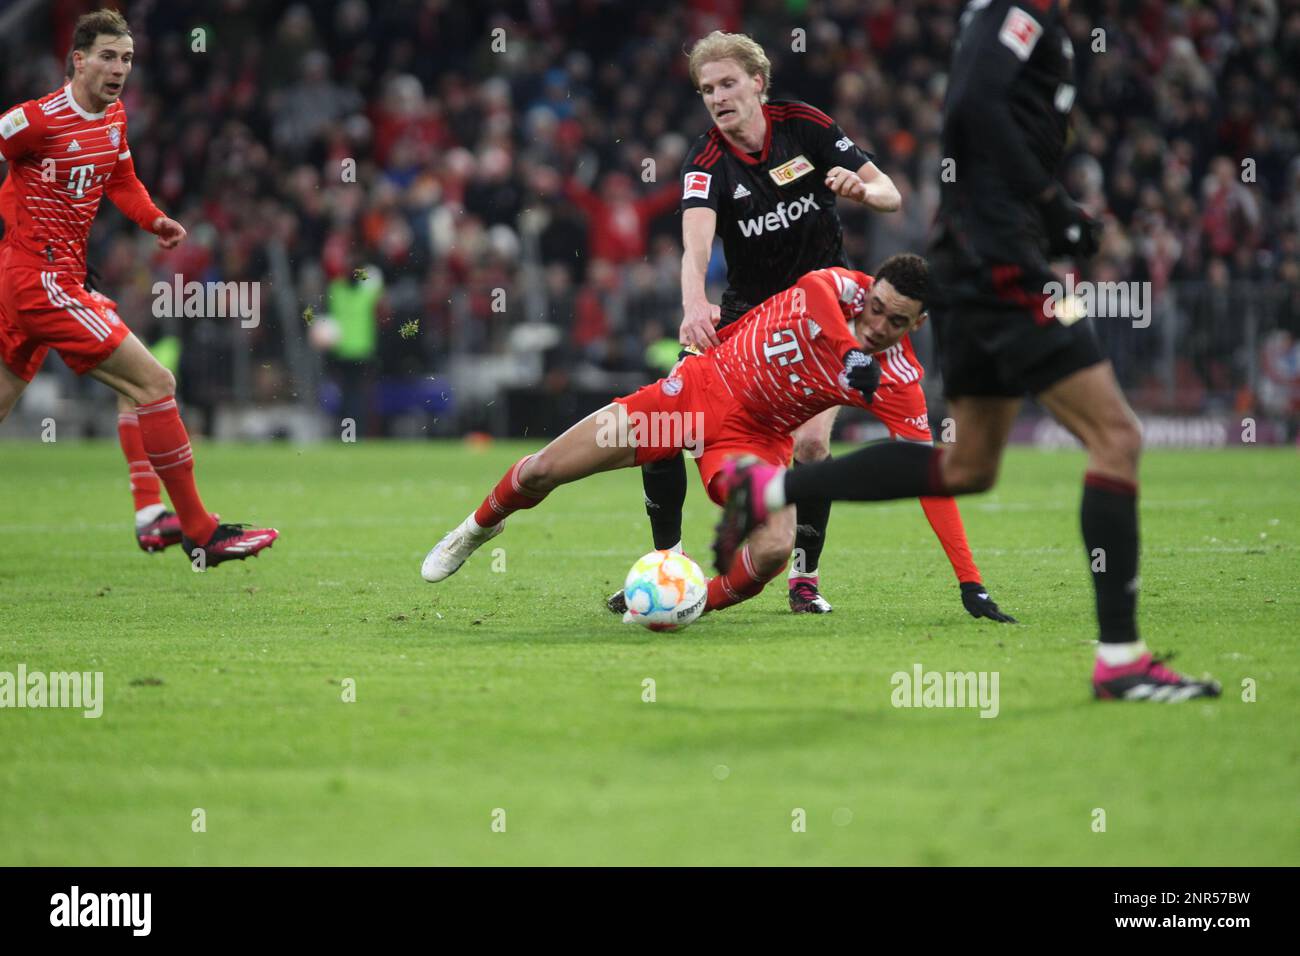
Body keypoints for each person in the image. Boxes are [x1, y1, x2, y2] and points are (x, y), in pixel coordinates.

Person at [712, 0, 1220, 701]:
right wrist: (1051, 206)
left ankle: (773, 487)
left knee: (967, 465)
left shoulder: (1010, 20)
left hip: (974, 261)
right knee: (1117, 437)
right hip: (1002, 261)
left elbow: (982, 114)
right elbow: (973, 108)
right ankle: (1121, 659)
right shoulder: (1019, 14)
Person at [422, 263, 914, 614]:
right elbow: (811, 286)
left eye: (896, 321)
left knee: (773, 548)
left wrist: (968, 579)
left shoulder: (898, 376)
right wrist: (849, 352)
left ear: (916, 324)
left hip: (750, 442)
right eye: (877, 310)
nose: (879, 325)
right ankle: (475, 529)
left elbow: (925, 463)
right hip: (689, 399)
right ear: (868, 295)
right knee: (542, 470)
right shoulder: (833, 288)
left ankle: (694, 600)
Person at [619, 30, 903, 615]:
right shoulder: (705, 162)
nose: (718, 97)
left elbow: (890, 193)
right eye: (706, 89)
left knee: (813, 445)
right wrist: (694, 302)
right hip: (746, 320)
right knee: (659, 427)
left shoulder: (806, 126)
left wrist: (864, 192)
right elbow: (694, 246)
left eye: (727, 83)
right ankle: (667, 563)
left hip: (821, 322)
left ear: (757, 83)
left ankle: (804, 576)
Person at [0, 8, 276, 565]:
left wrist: (154, 220)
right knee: (156, 381)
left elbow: (121, 180)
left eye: (126, 58)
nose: (118, 68)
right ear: (77, 60)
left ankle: (151, 515)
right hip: (39, 281)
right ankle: (201, 531)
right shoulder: (35, 120)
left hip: (51, 282)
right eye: (106, 56)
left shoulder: (115, 118)